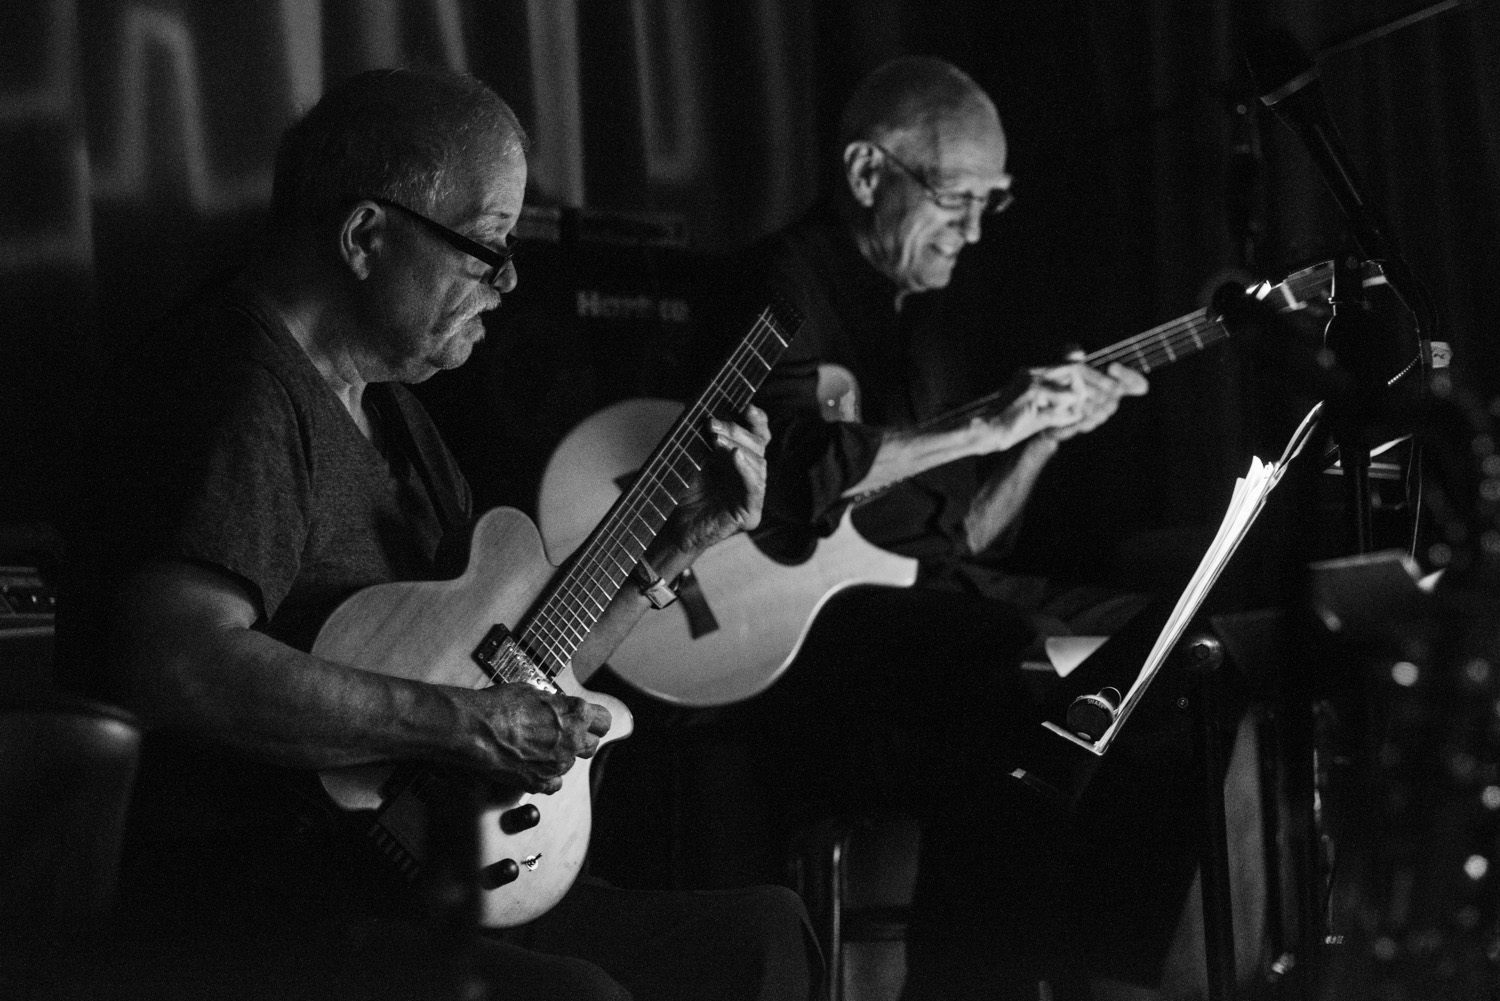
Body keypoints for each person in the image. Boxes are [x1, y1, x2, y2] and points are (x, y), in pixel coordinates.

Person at [54, 67, 818, 1001]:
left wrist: (675, 546)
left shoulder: (396, 414)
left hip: (422, 879)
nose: (508, 281)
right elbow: (175, 663)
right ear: (366, 236)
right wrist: (463, 725)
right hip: (276, 899)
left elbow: (517, 666)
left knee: (763, 936)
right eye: (488, 246)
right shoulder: (235, 388)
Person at [713, 56, 1212, 999]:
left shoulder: (929, 323)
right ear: (867, 173)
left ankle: (1110, 973)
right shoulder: (778, 291)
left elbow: (968, 541)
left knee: (1184, 637)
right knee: (1003, 656)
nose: (975, 230)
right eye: (954, 197)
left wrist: (1039, 444)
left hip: (930, 595)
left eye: (995, 201)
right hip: (803, 635)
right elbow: (786, 483)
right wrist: (988, 424)